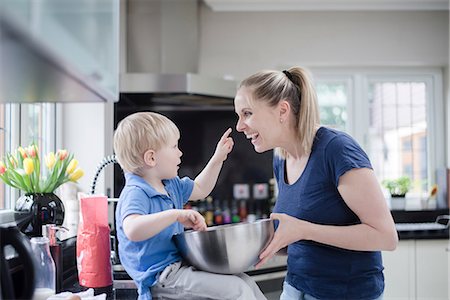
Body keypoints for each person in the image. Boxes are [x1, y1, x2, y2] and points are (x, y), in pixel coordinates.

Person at [234, 67, 398, 300]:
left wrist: (303, 229)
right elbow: (304, 235)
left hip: (346, 293)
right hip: (296, 286)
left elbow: (386, 237)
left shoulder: (337, 149)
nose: (240, 126)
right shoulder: (281, 157)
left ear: (282, 110)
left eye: (247, 113)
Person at [113, 112, 266, 300]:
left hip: (181, 268)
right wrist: (175, 215)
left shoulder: (171, 184)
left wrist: (218, 159)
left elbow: (201, 188)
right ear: (151, 158)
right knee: (238, 291)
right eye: (174, 146)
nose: (180, 152)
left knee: (246, 282)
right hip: (162, 277)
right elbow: (132, 229)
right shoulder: (136, 192)